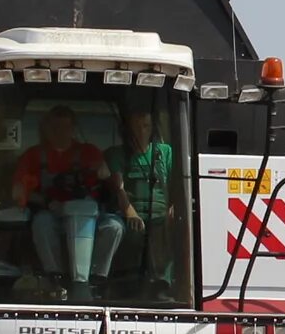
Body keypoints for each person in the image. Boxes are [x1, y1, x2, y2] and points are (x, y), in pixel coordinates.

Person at [9, 107, 126, 295]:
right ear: (47, 129)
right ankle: (56, 277)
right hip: (54, 213)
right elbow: (19, 191)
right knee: (41, 223)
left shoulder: (89, 152)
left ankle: (97, 279)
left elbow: (107, 178)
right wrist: (45, 201)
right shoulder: (34, 155)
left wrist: (103, 173)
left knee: (114, 226)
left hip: (90, 216)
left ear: (73, 129)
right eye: (55, 127)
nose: (61, 132)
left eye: (66, 127)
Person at [109, 104, 180, 287]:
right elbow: (119, 188)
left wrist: (174, 206)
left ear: (152, 128)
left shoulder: (165, 152)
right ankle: (130, 283)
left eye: (146, 126)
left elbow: (177, 183)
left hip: (161, 216)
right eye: (136, 127)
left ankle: (162, 283)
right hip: (131, 216)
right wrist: (130, 213)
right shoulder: (116, 154)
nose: (141, 131)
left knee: (167, 233)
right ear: (127, 129)